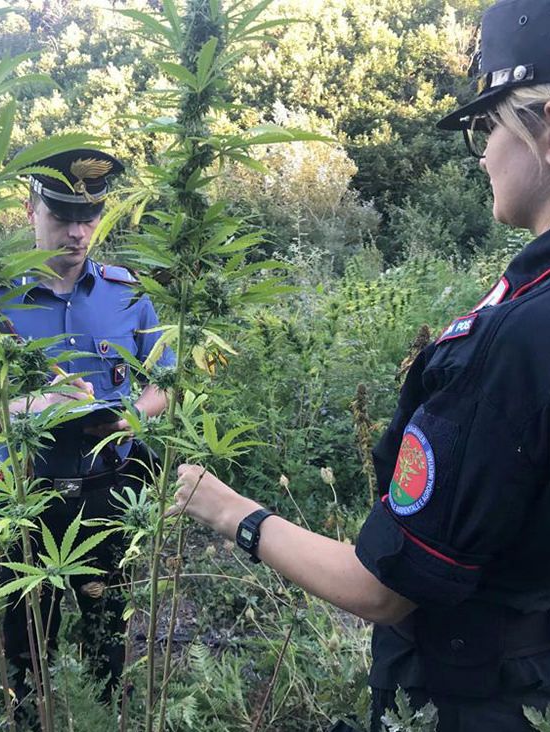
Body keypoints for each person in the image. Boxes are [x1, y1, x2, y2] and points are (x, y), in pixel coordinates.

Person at [170, 1, 550, 729]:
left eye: (486, 127)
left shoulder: (515, 338)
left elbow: (383, 590)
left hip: (489, 698)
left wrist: (225, 508)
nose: (480, 155)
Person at [0, 148, 175, 703]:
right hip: (22, 499)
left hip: (108, 492)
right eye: (62, 216)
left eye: (89, 217)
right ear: (30, 209)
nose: (77, 232)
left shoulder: (127, 292)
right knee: (23, 648)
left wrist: (132, 416)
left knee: (109, 637)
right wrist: (39, 405)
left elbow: (166, 382)